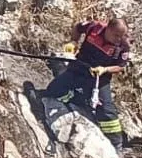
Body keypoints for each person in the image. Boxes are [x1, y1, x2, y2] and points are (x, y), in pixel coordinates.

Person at [45, 18, 132, 150]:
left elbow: (120, 67)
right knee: (53, 90)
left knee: (106, 111)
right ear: (108, 29)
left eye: (121, 35)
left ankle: (117, 144)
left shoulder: (123, 45)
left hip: (99, 78)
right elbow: (78, 27)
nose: (118, 39)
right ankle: (78, 98)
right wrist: (74, 41)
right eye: (116, 35)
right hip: (80, 68)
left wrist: (105, 69)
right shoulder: (94, 27)